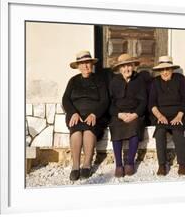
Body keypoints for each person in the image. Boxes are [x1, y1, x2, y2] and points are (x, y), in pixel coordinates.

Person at [62, 50, 109, 181]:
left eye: (87, 62)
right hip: (76, 115)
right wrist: (73, 112)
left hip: (95, 116)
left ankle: (87, 164)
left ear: (91, 64)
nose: (85, 66)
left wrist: (95, 114)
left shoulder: (99, 80)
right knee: (76, 131)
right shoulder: (73, 81)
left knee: (88, 130)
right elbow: (65, 99)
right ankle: (75, 166)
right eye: (82, 64)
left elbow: (105, 100)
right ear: (78, 66)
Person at [149, 56, 185, 176]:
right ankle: (162, 164)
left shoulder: (179, 79)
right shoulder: (155, 81)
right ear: (159, 71)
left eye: (167, 69)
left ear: (172, 69)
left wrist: (179, 116)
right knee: (160, 132)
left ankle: (182, 163)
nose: (165, 72)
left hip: (178, 113)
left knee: (177, 132)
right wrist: (159, 116)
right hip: (161, 114)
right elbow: (151, 103)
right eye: (162, 70)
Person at [109, 54, 147, 177]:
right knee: (115, 127)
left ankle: (130, 163)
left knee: (135, 128)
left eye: (129, 66)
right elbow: (110, 102)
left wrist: (135, 114)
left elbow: (144, 101)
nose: (127, 69)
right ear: (120, 69)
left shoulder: (139, 80)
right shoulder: (114, 81)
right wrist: (119, 114)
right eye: (124, 67)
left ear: (133, 67)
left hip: (135, 113)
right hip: (119, 114)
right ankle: (119, 165)